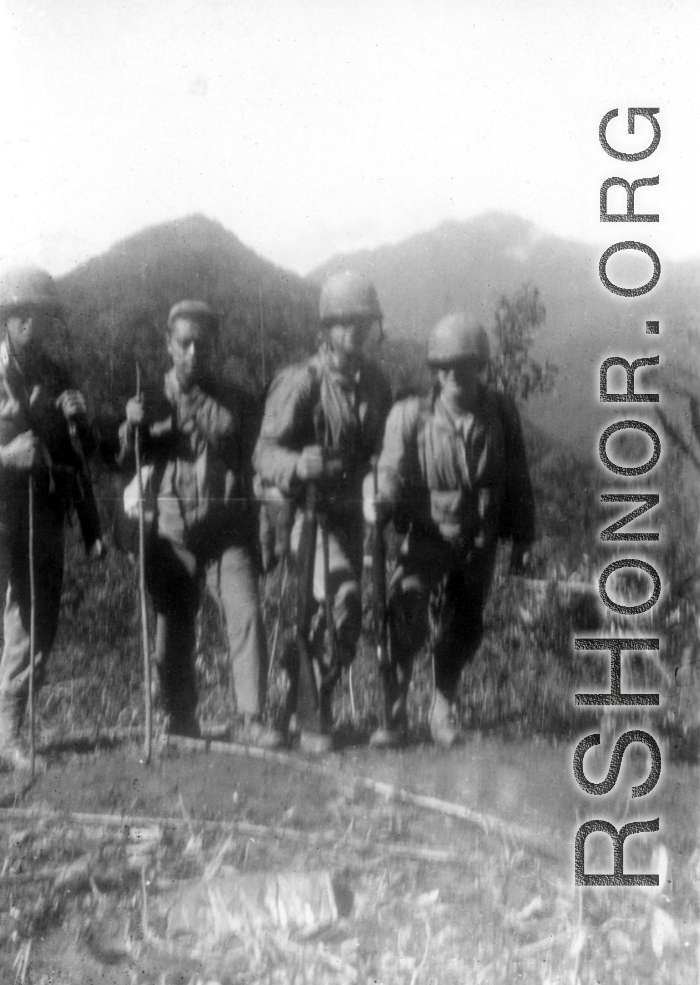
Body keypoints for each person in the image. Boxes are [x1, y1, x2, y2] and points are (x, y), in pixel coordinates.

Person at [364, 312, 535, 748]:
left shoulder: (500, 412)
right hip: (426, 536)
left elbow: (517, 475)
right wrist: (381, 496)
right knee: (406, 617)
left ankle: (443, 709)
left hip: (480, 538)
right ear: (434, 371)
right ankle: (395, 708)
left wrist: (523, 538)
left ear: (481, 367)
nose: (454, 375)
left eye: (465, 365)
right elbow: (390, 468)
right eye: (444, 367)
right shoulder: (410, 416)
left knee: (463, 627)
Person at [119, 300, 281, 747]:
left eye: (201, 345)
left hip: (226, 532)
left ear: (213, 348)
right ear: (169, 345)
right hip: (170, 534)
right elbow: (121, 459)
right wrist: (128, 427)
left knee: (246, 616)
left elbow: (235, 439)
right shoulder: (148, 399)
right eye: (183, 343)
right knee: (173, 629)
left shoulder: (236, 401)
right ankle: (180, 717)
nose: (192, 352)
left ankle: (251, 717)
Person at [254, 271, 392, 753]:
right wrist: (298, 463)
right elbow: (263, 453)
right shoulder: (302, 382)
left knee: (339, 617)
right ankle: (307, 712)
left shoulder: (376, 384)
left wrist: (380, 478)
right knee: (339, 599)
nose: (355, 331)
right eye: (344, 323)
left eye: (363, 322)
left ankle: (299, 704)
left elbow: (379, 450)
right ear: (327, 329)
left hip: (353, 518)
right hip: (305, 517)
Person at [0, 266, 98, 770]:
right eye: (30, 317)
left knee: (37, 624)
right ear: (12, 319)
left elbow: (85, 452)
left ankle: (10, 734)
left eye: (44, 317)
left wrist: (80, 419)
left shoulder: (57, 376)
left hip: (42, 512)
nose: (38, 328)